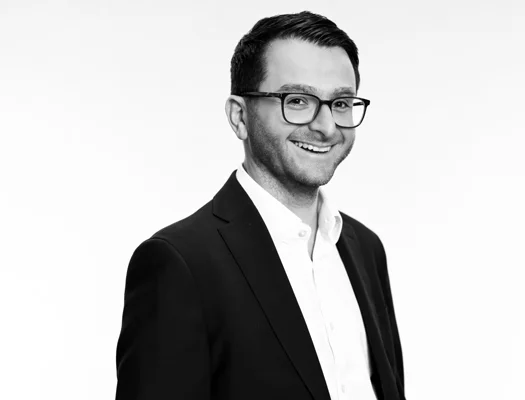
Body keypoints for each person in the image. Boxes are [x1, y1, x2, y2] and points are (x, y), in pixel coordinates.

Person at [115, 11, 405, 400]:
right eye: (297, 100)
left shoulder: (365, 248)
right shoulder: (180, 264)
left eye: (340, 103)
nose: (326, 127)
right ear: (240, 116)